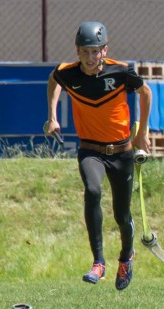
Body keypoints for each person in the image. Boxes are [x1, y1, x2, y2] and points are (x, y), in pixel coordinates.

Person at [44, 21, 152, 290]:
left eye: (95, 51)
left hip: (122, 153)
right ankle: (99, 263)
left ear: (105, 51)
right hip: (90, 150)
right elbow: (54, 81)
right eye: (85, 52)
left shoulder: (121, 71)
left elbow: (146, 92)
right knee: (92, 190)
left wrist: (142, 134)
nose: (90, 58)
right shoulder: (68, 73)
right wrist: (52, 116)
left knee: (122, 216)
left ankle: (126, 257)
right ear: (77, 52)